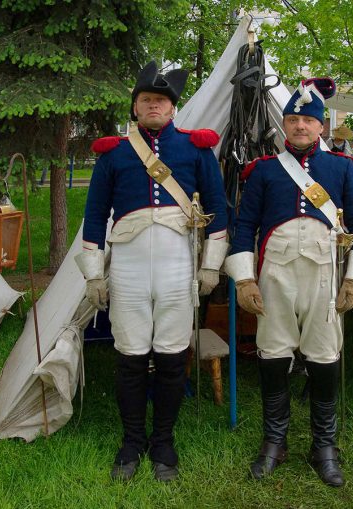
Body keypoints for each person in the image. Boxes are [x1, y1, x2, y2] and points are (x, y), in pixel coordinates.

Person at [76, 61, 228, 482]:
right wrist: (93, 272)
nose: (154, 105)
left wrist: (210, 266)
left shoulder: (196, 149)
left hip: (178, 268)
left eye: (161, 100)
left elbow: (217, 210)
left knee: (171, 358)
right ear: (135, 108)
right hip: (126, 269)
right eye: (146, 100)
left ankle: (163, 442)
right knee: (129, 357)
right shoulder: (114, 154)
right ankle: (131, 442)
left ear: (172, 108)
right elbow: (93, 217)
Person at [223, 78, 353, 487]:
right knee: (273, 354)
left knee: (324, 356)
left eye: (307, 121)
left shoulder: (343, 169)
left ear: (321, 127)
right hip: (274, 275)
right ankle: (275, 441)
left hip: (324, 274)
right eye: (292, 120)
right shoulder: (262, 172)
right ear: (284, 125)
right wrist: (243, 280)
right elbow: (245, 228)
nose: (299, 127)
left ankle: (323, 446)